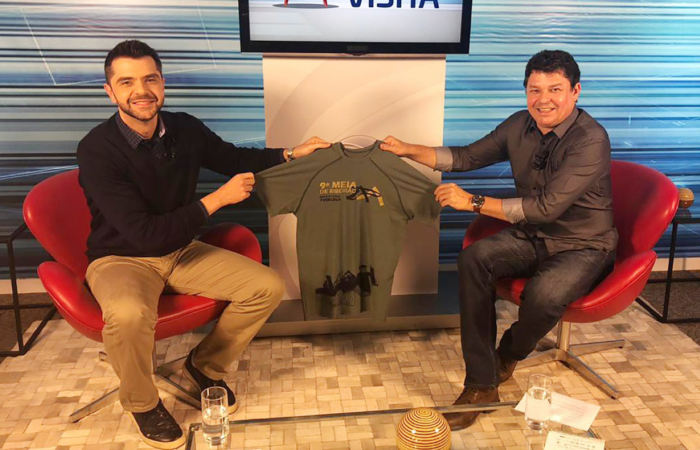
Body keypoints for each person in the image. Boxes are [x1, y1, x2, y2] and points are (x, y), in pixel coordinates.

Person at [77, 40, 329, 449]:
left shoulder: (185, 128)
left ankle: (204, 366)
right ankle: (143, 404)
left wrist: (290, 153)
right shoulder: (96, 150)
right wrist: (216, 200)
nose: (141, 90)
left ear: (162, 83)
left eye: (150, 79)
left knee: (267, 287)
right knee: (127, 314)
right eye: (127, 82)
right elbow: (143, 234)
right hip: (122, 257)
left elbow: (234, 159)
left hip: (180, 249)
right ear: (110, 92)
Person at [380, 50, 617, 430]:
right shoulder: (519, 124)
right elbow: (466, 157)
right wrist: (410, 150)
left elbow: (546, 208)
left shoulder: (590, 139)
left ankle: (506, 355)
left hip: (583, 244)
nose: (544, 99)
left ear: (575, 91)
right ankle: (481, 385)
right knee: (474, 259)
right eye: (534, 89)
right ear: (526, 92)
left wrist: (472, 202)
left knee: (544, 296)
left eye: (555, 89)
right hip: (532, 236)